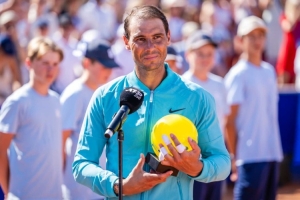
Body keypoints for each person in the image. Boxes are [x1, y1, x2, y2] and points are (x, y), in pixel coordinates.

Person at [73, 5, 230, 199]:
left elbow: (222, 162)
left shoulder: (198, 97)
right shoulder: (105, 96)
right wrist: (118, 185)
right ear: (126, 42)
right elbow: (81, 164)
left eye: (157, 37)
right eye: (140, 39)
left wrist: (198, 167)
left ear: (169, 37)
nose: (150, 47)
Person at [224, 16, 283, 200]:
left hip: (272, 153)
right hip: (248, 157)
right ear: (240, 40)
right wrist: (234, 157)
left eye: (260, 35)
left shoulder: (269, 71)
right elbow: (230, 120)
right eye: (251, 36)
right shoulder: (237, 74)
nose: (257, 41)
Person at [0, 37, 64, 199]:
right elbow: (0, 150)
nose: (50, 69)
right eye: (45, 63)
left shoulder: (56, 100)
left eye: (55, 64)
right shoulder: (17, 102)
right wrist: (9, 192)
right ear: (29, 63)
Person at [61, 39, 119, 200]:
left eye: (110, 66)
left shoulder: (106, 94)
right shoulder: (74, 94)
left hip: (104, 186)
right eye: (104, 66)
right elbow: (60, 142)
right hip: (80, 191)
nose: (109, 71)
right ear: (87, 63)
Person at [183, 30, 230, 200]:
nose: (205, 58)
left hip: (215, 160)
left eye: (209, 54)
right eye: (200, 54)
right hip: (190, 162)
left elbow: (225, 122)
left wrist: (228, 153)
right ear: (188, 55)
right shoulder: (181, 85)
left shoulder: (220, 84)